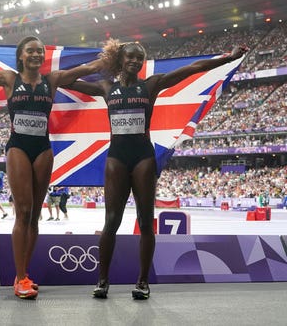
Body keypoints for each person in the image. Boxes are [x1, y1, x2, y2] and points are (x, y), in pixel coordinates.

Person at [68, 39, 248, 300]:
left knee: (145, 222)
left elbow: (193, 69)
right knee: (111, 222)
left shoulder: (150, 85)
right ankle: (102, 280)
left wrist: (228, 59)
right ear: (120, 60)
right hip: (116, 157)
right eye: (130, 57)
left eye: (139, 58)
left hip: (143, 157)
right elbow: (66, 81)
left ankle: (142, 282)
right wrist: (89, 67)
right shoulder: (106, 87)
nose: (135, 62)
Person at [0, 35, 101, 299]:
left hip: (43, 149)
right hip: (18, 147)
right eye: (31, 51)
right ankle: (20, 277)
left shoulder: (52, 80)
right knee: (22, 210)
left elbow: (89, 69)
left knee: (35, 214)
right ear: (21, 55)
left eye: (39, 51)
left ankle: (24, 273)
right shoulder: (10, 79)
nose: (36, 55)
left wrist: (114, 54)